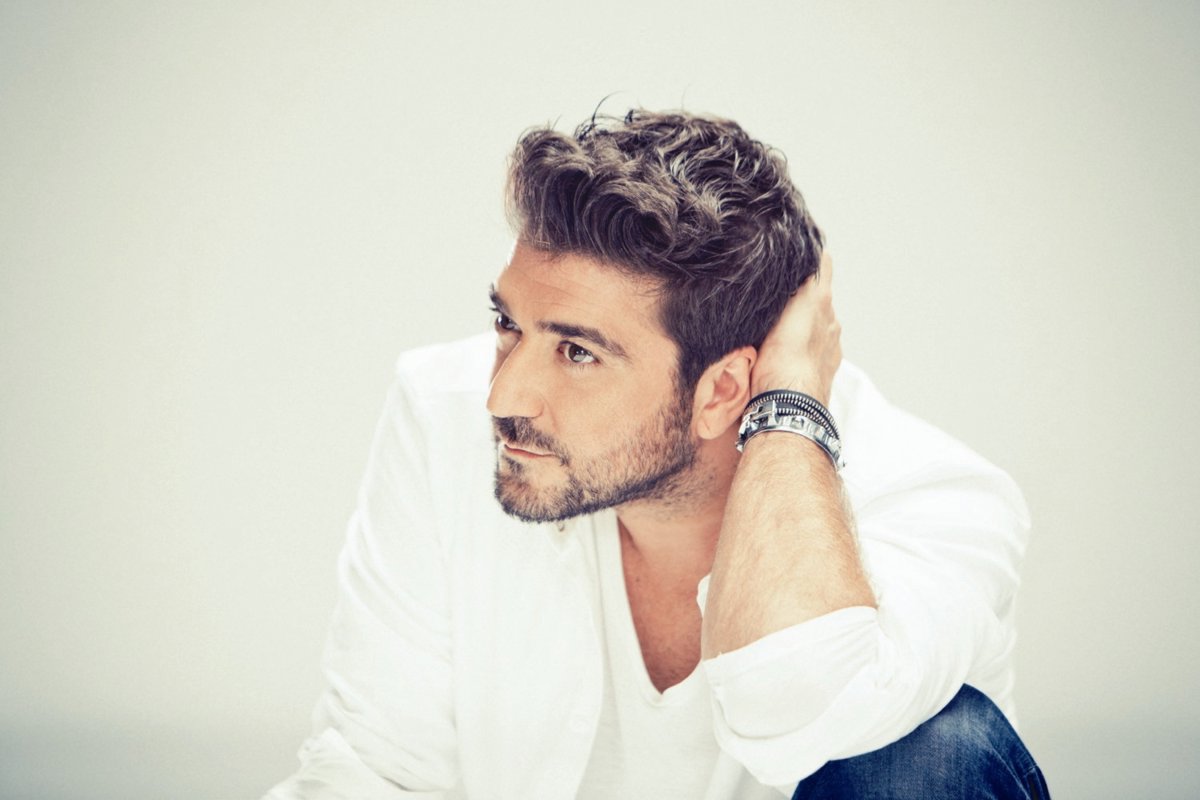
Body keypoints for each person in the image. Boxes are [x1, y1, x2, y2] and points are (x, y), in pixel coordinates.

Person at [264, 109, 1049, 799]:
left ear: (722, 390)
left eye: (578, 353)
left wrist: (787, 404)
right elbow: (375, 770)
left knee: (932, 752)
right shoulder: (440, 415)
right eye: (508, 325)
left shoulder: (932, 497)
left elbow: (796, 702)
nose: (503, 396)